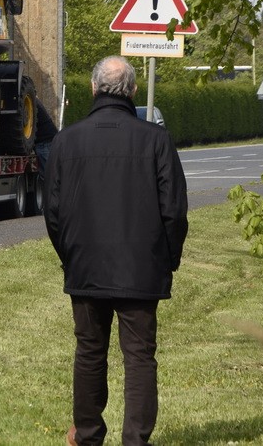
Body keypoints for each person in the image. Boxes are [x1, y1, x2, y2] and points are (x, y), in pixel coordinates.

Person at [43, 56, 188, 446]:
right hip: (141, 268)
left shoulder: (66, 141)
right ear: (134, 91)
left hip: (85, 266)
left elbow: (52, 212)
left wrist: (69, 255)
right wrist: (167, 260)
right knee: (139, 357)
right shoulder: (156, 140)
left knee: (90, 352)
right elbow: (173, 210)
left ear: (93, 89)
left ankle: (88, 435)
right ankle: (135, 440)